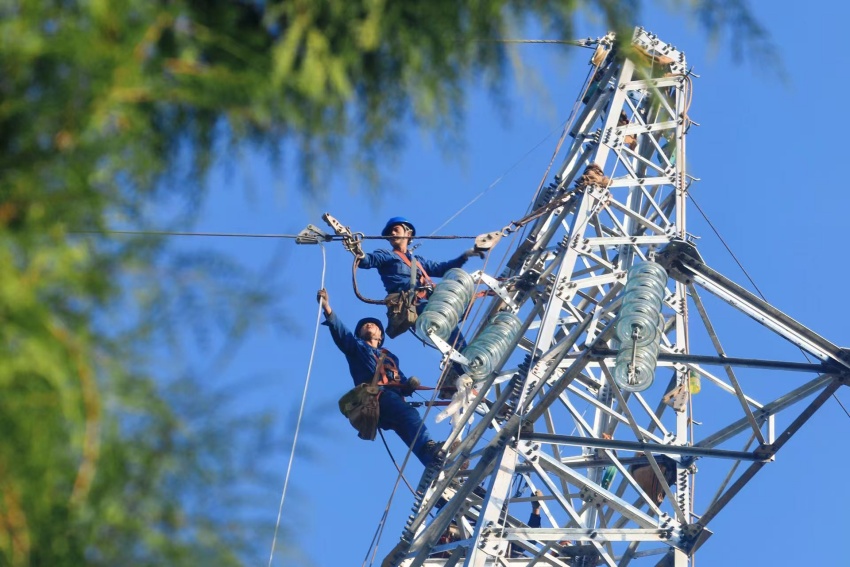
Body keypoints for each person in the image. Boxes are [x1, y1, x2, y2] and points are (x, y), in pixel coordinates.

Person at [317, 287, 443, 467]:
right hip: (377, 397)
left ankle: (435, 466)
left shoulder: (390, 357)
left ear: (380, 336)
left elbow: (400, 380)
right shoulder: (357, 348)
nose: (368, 325)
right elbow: (342, 334)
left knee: (409, 431)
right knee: (409, 415)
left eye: (373, 325)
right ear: (359, 335)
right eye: (363, 326)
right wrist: (327, 309)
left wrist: (410, 385)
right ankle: (431, 448)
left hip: (392, 400)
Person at [357, 216, 483, 393]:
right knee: (447, 332)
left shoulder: (418, 262)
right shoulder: (386, 255)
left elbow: (442, 268)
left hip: (432, 302)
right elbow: (367, 261)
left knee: (455, 337)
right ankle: (467, 374)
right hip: (414, 306)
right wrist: (357, 251)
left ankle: (469, 372)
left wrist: (467, 255)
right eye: (390, 232)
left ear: (408, 234)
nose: (392, 233)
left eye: (396, 229)